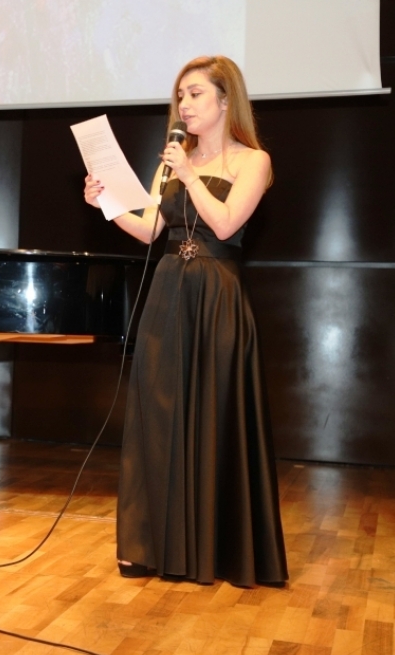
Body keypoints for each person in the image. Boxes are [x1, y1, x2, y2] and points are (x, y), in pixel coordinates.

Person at [83, 56, 288, 587]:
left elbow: (225, 222)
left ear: (225, 100)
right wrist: (106, 204)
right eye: (180, 96)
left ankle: (213, 549)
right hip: (169, 291)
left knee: (214, 413)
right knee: (156, 414)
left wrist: (191, 174)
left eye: (195, 94)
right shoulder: (171, 162)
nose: (184, 105)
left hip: (217, 296)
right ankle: (151, 544)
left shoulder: (253, 161)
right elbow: (151, 230)